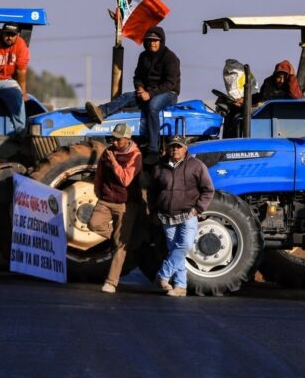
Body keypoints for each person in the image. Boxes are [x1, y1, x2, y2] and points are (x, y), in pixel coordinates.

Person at [86, 26, 180, 161]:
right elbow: (138, 77)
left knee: (153, 106)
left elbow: (170, 83)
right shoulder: (144, 56)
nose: (152, 43)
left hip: (168, 93)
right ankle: (101, 112)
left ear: (161, 41)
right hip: (147, 91)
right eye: (149, 40)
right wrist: (140, 88)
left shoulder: (170, 58)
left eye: (155, 40)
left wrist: (150, 94)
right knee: (127, 97)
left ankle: (153, 149)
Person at [148, 136, 214, 297]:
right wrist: (154, 211)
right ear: (168, 149)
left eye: (178, 146)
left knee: (185, 246)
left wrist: (198, 209)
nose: (175, 149)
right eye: (172, 147)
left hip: (188, 214)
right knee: (174, 250)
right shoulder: (159, 167)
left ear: (185, 149)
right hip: (167, 216)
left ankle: (163, 275)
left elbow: (208, 189)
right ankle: (180, 286)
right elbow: (152, 191)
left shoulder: (197, 166)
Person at [88, 123, 144, 294]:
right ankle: (119, 240)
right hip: (106, 199)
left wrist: (114, 162)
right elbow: (100, 173)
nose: (115, 142)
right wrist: (98, 190)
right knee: (93, 224)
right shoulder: (107, 152)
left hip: (125, 203)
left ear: (127, 139)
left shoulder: (135, 155)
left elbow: (126, 179)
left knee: (120, 246)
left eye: (118, 139)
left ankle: (111, 282)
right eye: (113, 138)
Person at [235, 59, 303, 107]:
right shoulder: (268, 83)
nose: (282, 81)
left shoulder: (292, 86)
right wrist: (245, 100)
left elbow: (296, 97)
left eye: (285, 78)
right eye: (279, 77)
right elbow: (260, 97)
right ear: (274, 76)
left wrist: (292, 77)